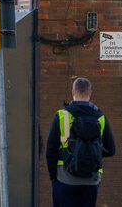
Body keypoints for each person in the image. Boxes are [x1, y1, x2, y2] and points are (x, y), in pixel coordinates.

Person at [45, 77, 116, 207]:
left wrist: (53, 177)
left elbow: (51, 150)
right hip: (91, 178)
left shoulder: (62, 115)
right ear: (90, 93)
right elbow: (111, 150)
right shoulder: (100, 117)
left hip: (64, 177)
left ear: (73, 92)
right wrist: (91, 155)